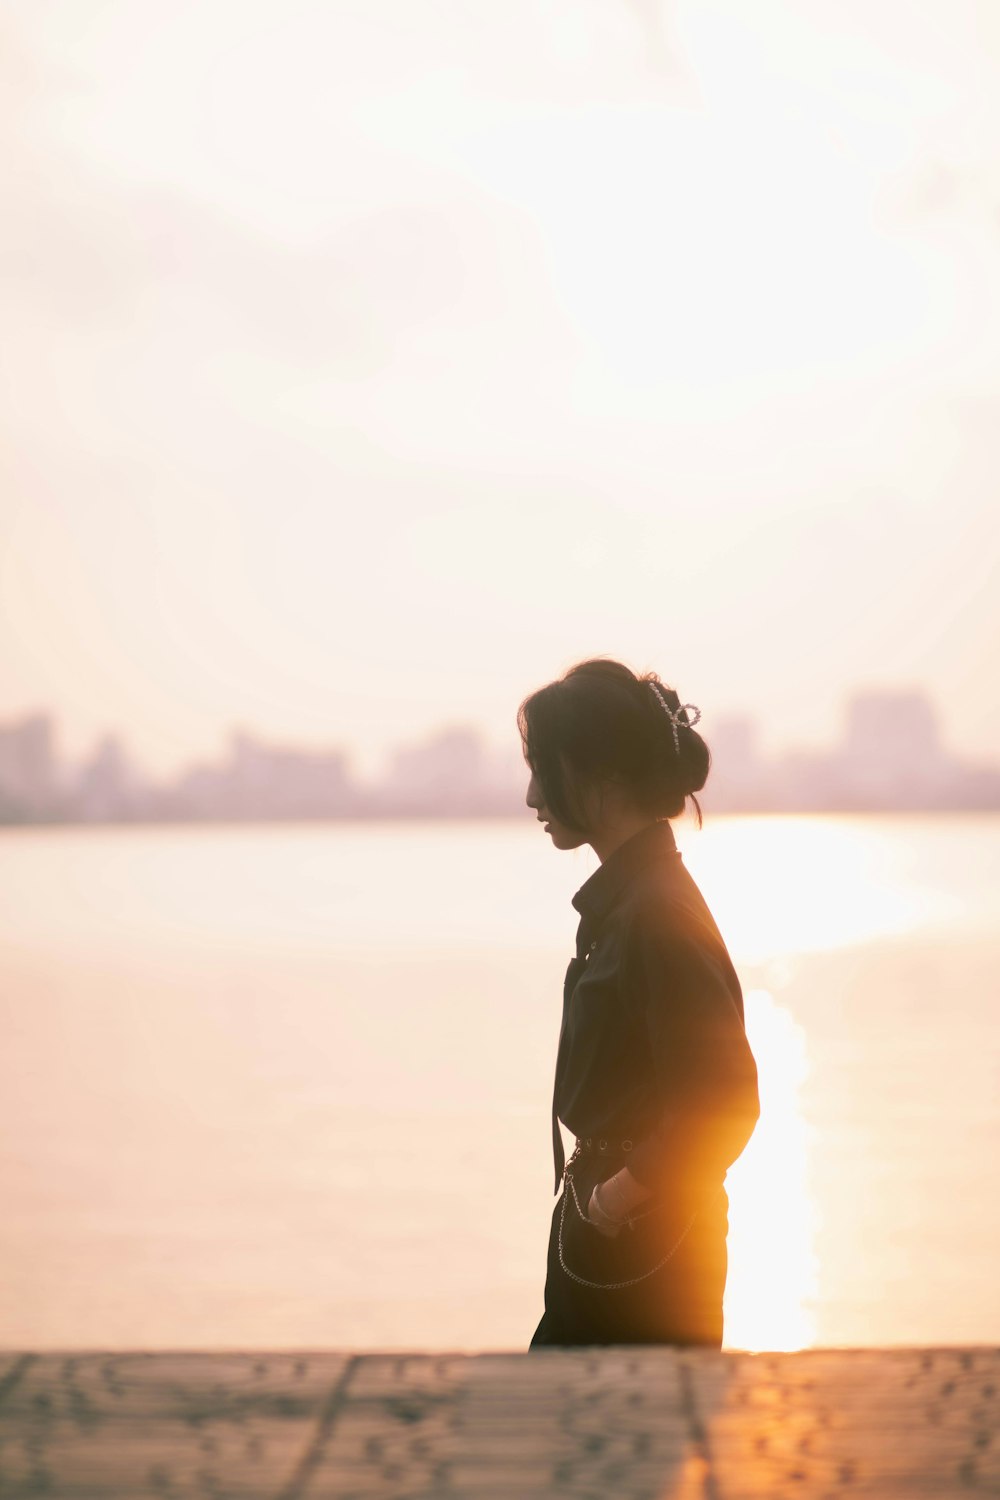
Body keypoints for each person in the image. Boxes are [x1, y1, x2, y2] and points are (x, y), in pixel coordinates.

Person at [520, 657, 760, 1348]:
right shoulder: (631, 904)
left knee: (619, 1445)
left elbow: (725, 1100)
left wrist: (619, 1194)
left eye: (544, 767)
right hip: (617, 1233)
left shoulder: (657, 914)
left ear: (601, 773)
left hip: (646, 1245)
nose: (533, 795)